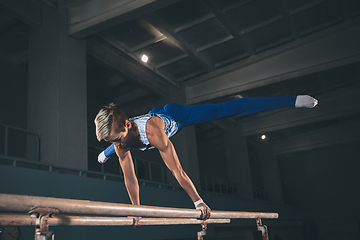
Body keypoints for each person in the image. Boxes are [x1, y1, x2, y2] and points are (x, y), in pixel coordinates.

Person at [94, 95, 318, 226]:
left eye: (117, 140)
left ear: (127, 126)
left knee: (223, 110)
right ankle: (105, 153)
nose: (119, 144)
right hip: (144, 122)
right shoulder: (119, 140)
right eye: (112, 141)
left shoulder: (153, 133)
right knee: (119, 149)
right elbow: (130, 177)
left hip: (174, 117)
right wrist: (136, 209)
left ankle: (293, 100)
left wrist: (198, 202)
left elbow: (177, 171)